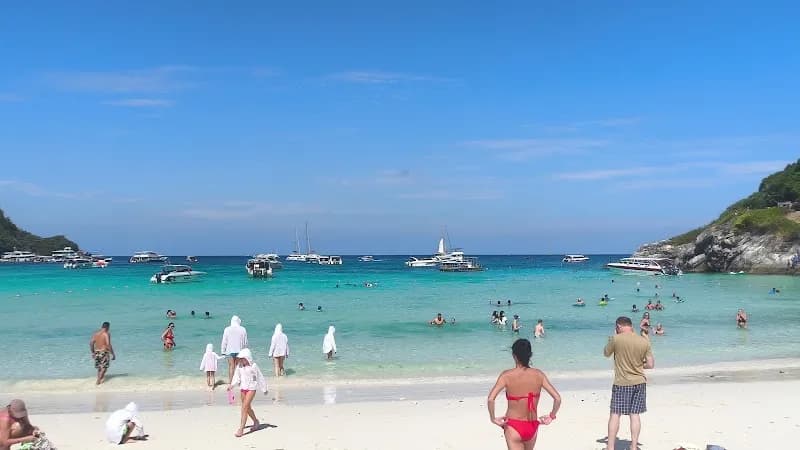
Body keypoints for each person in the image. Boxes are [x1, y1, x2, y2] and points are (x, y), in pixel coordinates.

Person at [487, 339, 561, 449]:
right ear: (530, 355)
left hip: (513, 426)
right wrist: (551, 416)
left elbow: (491, 399)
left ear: (514, 356)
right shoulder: (539, 374)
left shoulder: (506, 375)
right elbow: (557, 398)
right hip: (532, 426)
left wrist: (493, 418)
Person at [603, 316, 655, 450]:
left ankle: (610, 447)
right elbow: (650, 364)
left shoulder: (616, 339)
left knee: (615, 414)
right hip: (639, 382)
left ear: (619, 326)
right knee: (635, 415)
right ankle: (633, 446)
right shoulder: (643, 341)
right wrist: (637, 366)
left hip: (622, 382)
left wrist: (612, 337)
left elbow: (606, 353)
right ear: (631, 326)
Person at [227, 348, 267, 438]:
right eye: (240, 359)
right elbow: (236, 377)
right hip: (243, 388)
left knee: (244, 407)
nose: (241, 360)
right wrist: (232, 385)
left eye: (243, 358)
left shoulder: (254, 366)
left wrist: (264, 388)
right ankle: (256, 421)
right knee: (247, 408)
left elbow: (260, 377)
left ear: (248, 358)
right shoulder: (239, 366)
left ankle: (241, 429)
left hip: (251, 388)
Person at [221, 316, 249, 385]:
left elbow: (224, 341)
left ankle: (231, 383)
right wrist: (245, 350)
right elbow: (245, 342)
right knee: (238, 367)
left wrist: (223, 351)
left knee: (231, 366)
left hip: (229, 350)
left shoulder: (227, 329)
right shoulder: (243, 329)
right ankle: (239, 382)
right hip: (240, 351)